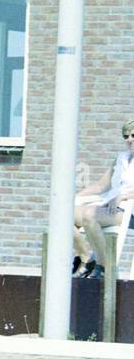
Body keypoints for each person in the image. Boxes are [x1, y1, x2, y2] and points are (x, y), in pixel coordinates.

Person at [73, 117, 134, 279]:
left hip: (128, 212)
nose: (129, 140)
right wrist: (73, 197)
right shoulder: (121, 158)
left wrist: (123, 196)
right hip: (108, 206)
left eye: (133, 135)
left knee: (88, 215)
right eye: (126, 136)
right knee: (65, 215)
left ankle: (105, 266)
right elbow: (101, 186)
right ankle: (87, 259)